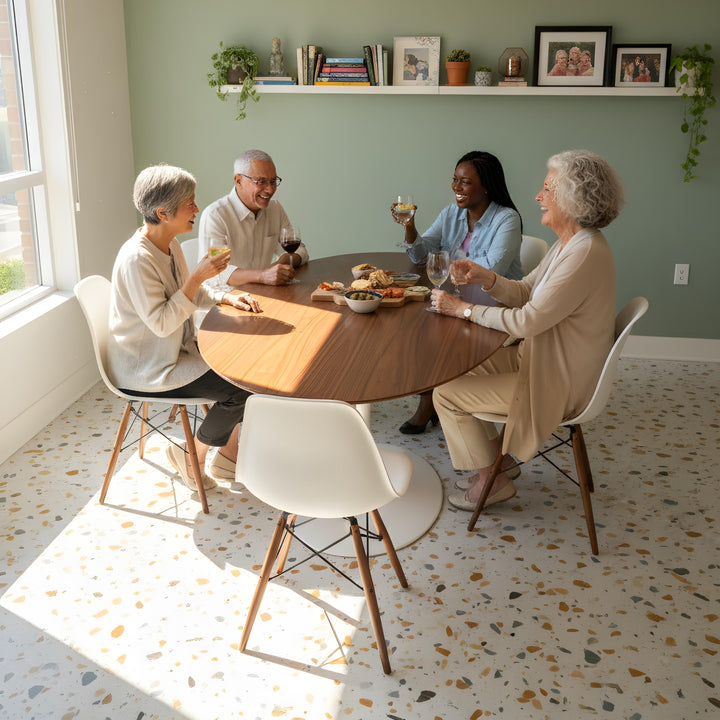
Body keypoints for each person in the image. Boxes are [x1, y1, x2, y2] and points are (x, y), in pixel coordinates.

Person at [429, 150, 623, 513]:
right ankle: (501, 461)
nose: (538, 196)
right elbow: (525, 292)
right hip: (543, 360)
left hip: (556, 381)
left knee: (446, 394)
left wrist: (464, 309)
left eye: (547, 188)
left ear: (573, 196)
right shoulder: (571, 243)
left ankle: (491, 479)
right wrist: (485, 277)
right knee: (459, 369)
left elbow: (527, 320)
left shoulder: (583, 253)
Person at [108, 165, 262, 493]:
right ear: (164, 212)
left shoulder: (169, 243)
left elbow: (187, 295)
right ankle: (191, 453)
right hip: (150, 367)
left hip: (177, 351)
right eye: (189, 204)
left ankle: (228, 457)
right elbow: (163, 322)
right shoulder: (138, 259)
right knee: (242, 388)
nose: (196, 208)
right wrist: (197, 278)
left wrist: (228, 297)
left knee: (249, 370)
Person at [391, 150, 523, 434]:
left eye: (465, 182)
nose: (456, 187)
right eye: (455, 180)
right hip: (456, 303)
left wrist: (440, 265)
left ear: (486, 186)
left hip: (493, 311)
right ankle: (433, 399)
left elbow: (489, 271)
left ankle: (430, 405)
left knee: (432, 334)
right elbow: (420, 254)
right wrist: (410, 227)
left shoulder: (507, 219)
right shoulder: (451, 213)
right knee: (414, 328)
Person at [198, 149, 309, 287]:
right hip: (227, 299)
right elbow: (216, 273)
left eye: (273, 181)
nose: (270, 190)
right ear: (239, 180)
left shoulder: (275, 209)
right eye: (261, 182)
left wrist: (285, 260)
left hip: (265, 293)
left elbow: (301, 252)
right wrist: (263, 276)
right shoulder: (216, 215)